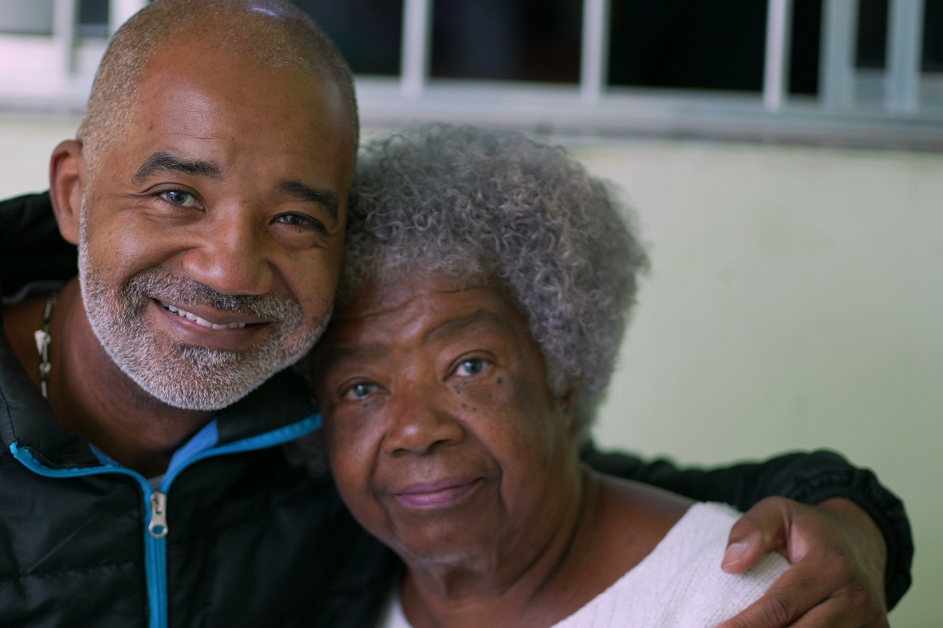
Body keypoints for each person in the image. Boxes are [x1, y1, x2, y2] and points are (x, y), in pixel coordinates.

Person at [0, 1, 908, 627]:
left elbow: (597, 491)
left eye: (297, 217)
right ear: (72, 191)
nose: (231, 266)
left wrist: (853, 521)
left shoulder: (329, 421)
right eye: (177, 193)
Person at [310, 124, 902, 628]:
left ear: (565, 377)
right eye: (361, 388)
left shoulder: (734, 600)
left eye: (470, 366)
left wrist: (854, 517)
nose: (416, 429)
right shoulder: (333, 588)